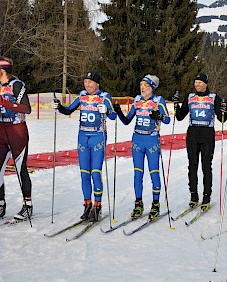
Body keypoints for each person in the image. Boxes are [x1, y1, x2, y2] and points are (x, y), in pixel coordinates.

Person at [52, 70, 116, 222]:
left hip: (97, 137)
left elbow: (113, 115)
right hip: (82, 137)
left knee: (95, 173)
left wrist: (106, 110)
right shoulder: (82, 95)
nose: (87, 85)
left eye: (90, 82)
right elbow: (69, 109)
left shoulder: (104, 96)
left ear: (97, 83)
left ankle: (97, 205)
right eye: (86, 82)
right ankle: (87, 204)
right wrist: (59, 107)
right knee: (84, 173)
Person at [113, 75, 170, 221]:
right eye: (141, 84)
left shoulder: (158, 101)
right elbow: (127, 121)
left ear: (152, 87)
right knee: (138, 174)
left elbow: (168, 119)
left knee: (153, 173)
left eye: (146, 85)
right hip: (137, 140)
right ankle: (138, 204)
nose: (142, 88)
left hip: (151, 141)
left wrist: (159, 116)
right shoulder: (137, 100)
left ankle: (155, 204)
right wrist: (118, 111)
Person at [174, 73, 226, 211]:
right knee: (192, 165)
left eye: (200, 82)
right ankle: (193, 195)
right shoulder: (190, 97)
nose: (197, 85)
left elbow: (222, 119)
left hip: (207, 134)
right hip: (192, 134)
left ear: (206, 83)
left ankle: (206, 196)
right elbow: (180, 117)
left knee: (206, 166)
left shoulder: (214, 98)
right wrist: (176, 105)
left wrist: (223, 110)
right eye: (196, 82)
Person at [0, 57, 33, 220]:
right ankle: (0, 205)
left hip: (17, 132)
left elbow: (27, 108)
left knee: (21, 170)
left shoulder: (16, 84)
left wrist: (5, 104)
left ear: (2, 71)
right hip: (1, 132)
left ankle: (27, 206)